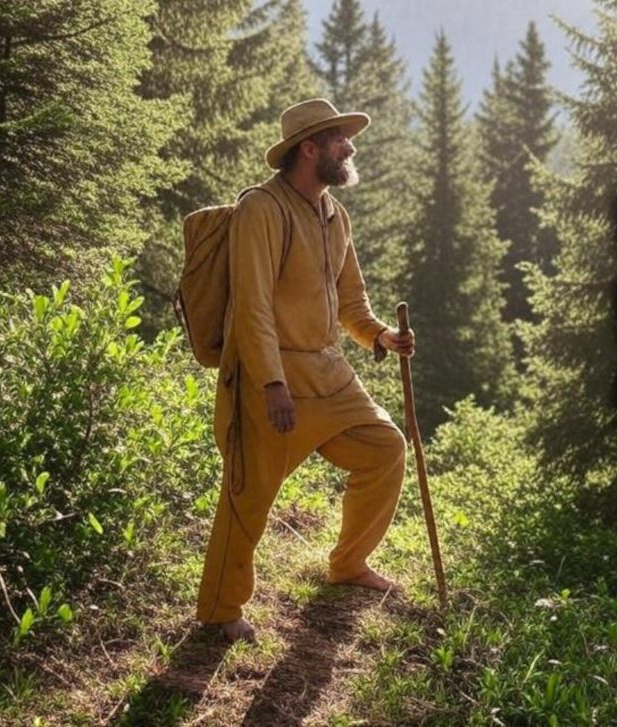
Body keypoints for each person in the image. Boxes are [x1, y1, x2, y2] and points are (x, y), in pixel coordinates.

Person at [195, 98, 415, 644]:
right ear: (309, 148)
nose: (350, 146)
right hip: (270, 380)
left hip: (330, 374)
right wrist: (271, 384)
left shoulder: (335, 215)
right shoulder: (260, 210)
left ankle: (348, 564)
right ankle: (220, 611)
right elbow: (252, 307)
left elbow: (350, 300)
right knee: (248, 495)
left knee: (384, 448)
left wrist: (380, 335)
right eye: (340, 138)